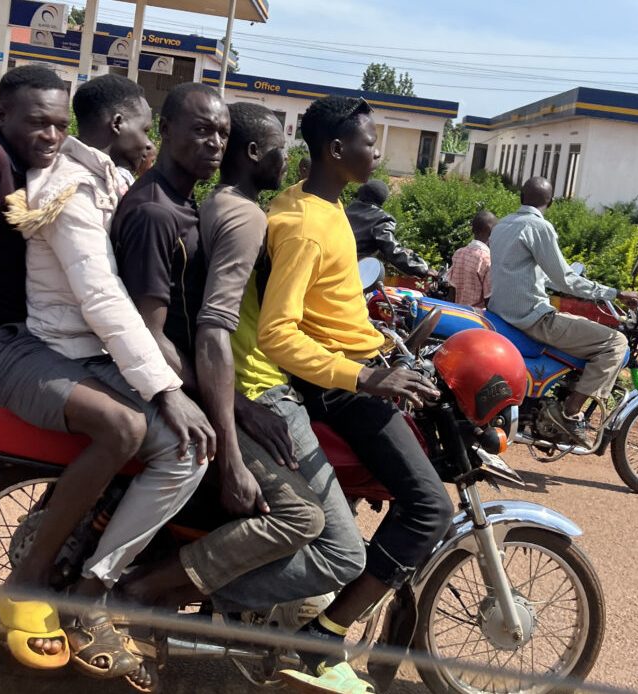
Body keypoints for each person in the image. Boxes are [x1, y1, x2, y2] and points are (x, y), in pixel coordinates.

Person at [0, 65, 206, 673]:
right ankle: (28, 580)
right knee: (122, 427)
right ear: (1, 116)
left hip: (28, 337)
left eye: (58, 123)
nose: (51, 135)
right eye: (37, 123)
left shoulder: (46, 171)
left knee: (151, 430)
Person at [3, 74, 213, 684]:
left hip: (96, 346)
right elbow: (103, 299)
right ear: (118, 126)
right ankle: (96, 587)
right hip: (77, 348)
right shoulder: (70, 188)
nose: (151, 141)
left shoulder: (107, 177)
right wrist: (166, 389)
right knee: (186, 447)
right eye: (148, 128)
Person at [106, 83, 342, 620]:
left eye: (221, 133)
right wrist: (232, 428)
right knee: (301, 517)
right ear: (166, 132)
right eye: (201, 129)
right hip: (168, 384)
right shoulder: (158, 212)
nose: (214, 142)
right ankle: (140, 590)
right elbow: (155, 334)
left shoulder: (190, 202)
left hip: (200, 380)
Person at [257, 96, 452, 693]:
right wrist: (367, 376)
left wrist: (383, 342)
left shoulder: (319, 204)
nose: (378, 153)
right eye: (369, 142)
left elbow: (332, 304)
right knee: (431, 509)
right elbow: (277, 331)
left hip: (362, 364)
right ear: (336, 151)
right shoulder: (306, 227)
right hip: (341, 388)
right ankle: (324, 635)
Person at [192, 101, 365, 613]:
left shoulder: (241, 207)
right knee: (338, 547)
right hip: (259, 388)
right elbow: (214, 326)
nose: (288, 161)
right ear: (252, 154)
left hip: (258, 384)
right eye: (278, 151)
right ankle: (185, 595)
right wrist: (239, 410)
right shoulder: (248, 218)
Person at [488, 176, 638, 445]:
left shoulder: (501, 226)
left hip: (501, 314)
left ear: (521, 198)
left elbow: (523, 273)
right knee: (615, 342)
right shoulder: (539, 227)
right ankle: (570, 414)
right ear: (551, 202)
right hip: (533, 319)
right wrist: (613, 293)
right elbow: (565, 279)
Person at [346, 178, 431, 278]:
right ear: (382, 198)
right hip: (354, 274)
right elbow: (392, 250)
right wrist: (423, 269)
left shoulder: (344, 210)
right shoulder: (381, 218)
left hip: (330, 268)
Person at [448, 209, 497, 308]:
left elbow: (452, 290)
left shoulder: (459, 253)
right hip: (477, 318)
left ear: (472, 230)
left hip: (458, 313)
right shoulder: (487, 259)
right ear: (490, 231)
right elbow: (489, 299)